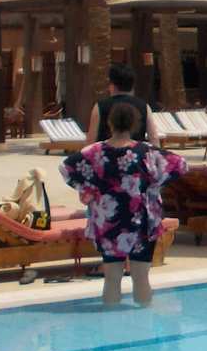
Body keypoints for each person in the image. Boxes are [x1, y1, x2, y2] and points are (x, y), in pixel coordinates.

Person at [61, 100, 182, 307]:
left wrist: (88, 189)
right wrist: (153, 186)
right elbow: (180, 165)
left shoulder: (94, 152)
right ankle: (144, 320)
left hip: (108, 220)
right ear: (134, 125)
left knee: (112, 278)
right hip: (141, 221)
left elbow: (66, 168)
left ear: (109, 123)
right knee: (141, 277)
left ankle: (109, 319)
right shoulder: (147, 152)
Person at [87, 62, 157, 146]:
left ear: (112, 85)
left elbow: (91, 140)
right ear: (132, 85)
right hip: (136, 153)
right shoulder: (144, 106)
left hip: (107, 153)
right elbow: (153, 137)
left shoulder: (100, 106)